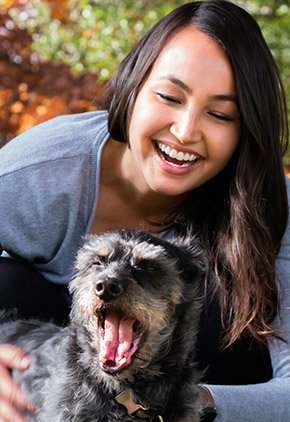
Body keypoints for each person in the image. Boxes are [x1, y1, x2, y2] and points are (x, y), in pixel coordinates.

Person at [0, 1, 289, 421]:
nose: (186, 132)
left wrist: (181, 404)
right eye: (169, 96)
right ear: (134, 87)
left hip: (184, 377)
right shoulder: (39, 172)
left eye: (220, 114)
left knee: (225, 302)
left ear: (246, 129)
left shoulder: (273, 207)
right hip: (39, 378)